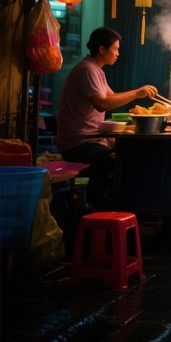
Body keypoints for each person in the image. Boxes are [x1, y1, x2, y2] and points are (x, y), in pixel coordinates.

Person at [57, 26, 158, 208]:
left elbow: (111, 97)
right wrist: (137, 93)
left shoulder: (97, 70)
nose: (118, 53)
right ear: (102, 49)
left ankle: (116, 208)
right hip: (78, 145)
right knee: (123, 162)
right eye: (115, 49)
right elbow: (102, 103)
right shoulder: (87, 70)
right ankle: (105, 210)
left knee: (131, 155)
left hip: (92, 140)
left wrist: (138, 100)